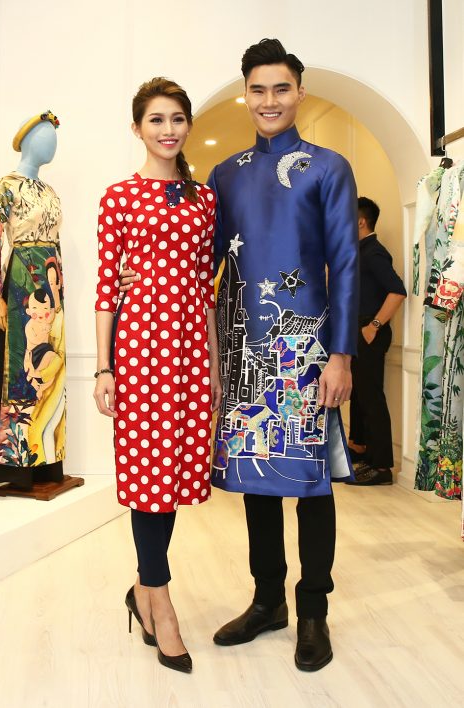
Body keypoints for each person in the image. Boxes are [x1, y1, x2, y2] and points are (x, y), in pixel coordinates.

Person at [120, 39, 359, 672]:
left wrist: (341, 355)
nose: (269, 100)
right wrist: (141, 287)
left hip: (307, 351)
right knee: (256, 481)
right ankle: (267, 601)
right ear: (244, 94)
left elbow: (346, 263)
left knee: (311, 484)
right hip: (243, 349)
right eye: (258, 89)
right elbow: (198, 260)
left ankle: (313, 610)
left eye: (281, 88)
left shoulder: (329, 168)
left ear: (299, 92)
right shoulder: (224, 176)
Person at [93, 77, 221, 674]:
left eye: (177, 119)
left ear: (188, 125)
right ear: (137, 128)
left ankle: (142, 588)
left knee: (172, 480)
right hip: (141, 353)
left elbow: (205, 287)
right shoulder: (119, 197)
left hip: (191, 352)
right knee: (148, 479)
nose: (168, 130)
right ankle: (160, 605)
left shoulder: (204, 199)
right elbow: (105, 289)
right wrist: (104, 367)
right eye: (156, 120)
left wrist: (214, 365)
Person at [0, 110, 66, 487]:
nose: (53, 145)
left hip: (51, 282)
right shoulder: (6, 186)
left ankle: (48, 456)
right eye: (47, 137)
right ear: (29, 141)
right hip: (20, 281)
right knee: (20, 362)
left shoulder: (50, 191)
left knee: (51, 357)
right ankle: (16, 463)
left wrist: (59, 290)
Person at [347, 197, 406, 485]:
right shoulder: (359, 251)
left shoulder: (374, 252)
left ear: (360, 221)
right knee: (359, 394)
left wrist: (373, 326)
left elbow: (397, 291)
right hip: (357, 332)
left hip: (369, 333)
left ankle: (382, 467)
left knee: (371, 398)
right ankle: (360, 449)